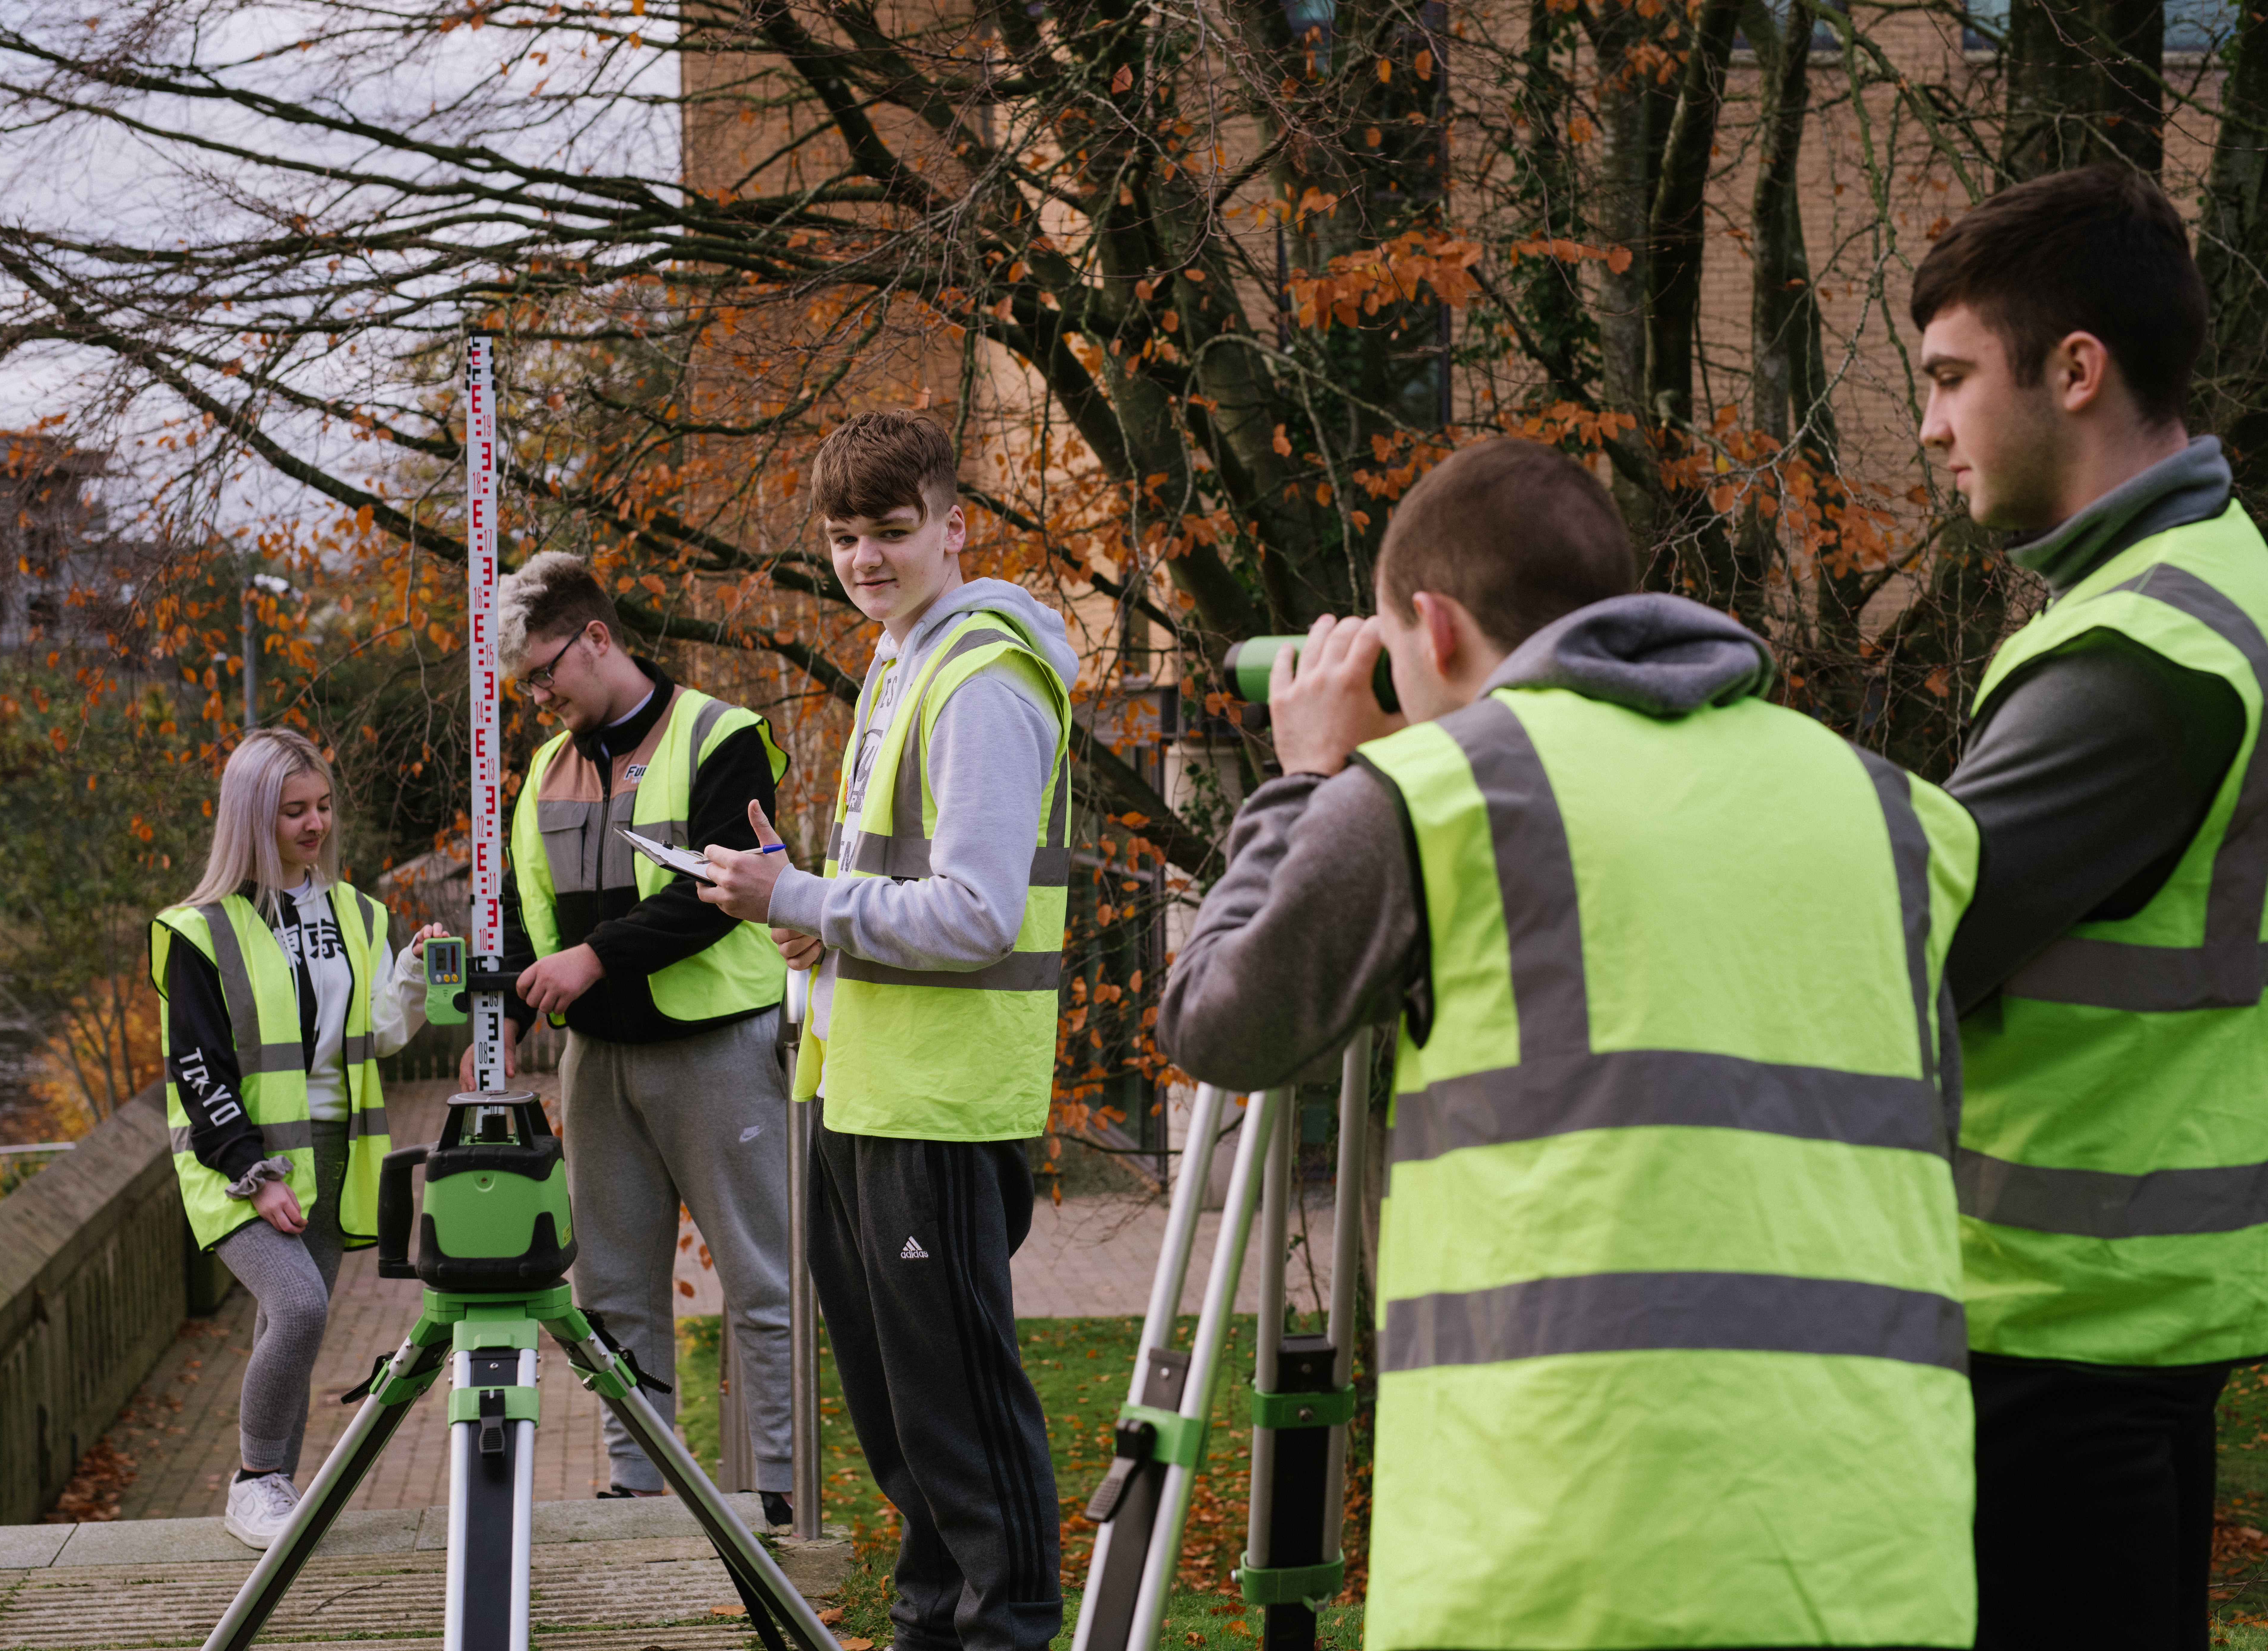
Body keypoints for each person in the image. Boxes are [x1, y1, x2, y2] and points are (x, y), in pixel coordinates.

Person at [1157, 439, 1982, 1650]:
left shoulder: (1439, 793)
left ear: (1431, 630)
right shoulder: (1891, 810)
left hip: (1566, 1546)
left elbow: (1222, 1019)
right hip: (1869, 1547)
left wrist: (1303, 777)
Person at [1914, 165, 2266, 1651]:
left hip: (2058, 1326)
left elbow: (1906, 935)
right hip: (2123, 1312)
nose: (1929, 425)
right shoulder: (2186, 586)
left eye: (1949, 378)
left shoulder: (2144, 652)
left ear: (2076, 370)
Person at [699, 410, 1075, 1651]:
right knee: (906, 1433)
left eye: (892, 531)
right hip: (861, 1090)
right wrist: (809, 925)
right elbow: (902, 893)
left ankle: (1004, 1632)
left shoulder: (980, 679)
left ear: (954, 528)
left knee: (962, 1429)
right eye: (845, 534)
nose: (865, 555)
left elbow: (976, 911)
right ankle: (929, 1630)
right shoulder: (900, 659)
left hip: (941, 1107)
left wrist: (802, 899)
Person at [479, 550, 798, 1524]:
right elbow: (530, 919)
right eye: (525, 684)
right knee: (613, 1291)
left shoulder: (723, 736)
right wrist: (506, 1020)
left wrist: (595, 960)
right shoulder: (541, 771)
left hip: (719, 1050)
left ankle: (783, 1491)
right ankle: (639, 1485)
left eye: (546, 673)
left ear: (598, 638)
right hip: (598, 1062)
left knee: (762, 1280)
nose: (538, 698)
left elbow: (718, 895)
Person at [151, 727, 446, 1548]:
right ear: (253, 817)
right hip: (237, 1157)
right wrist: (253, 1170)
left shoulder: (354, 912)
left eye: (322, 807)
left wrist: (413, 976)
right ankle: (253, 1483)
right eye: (293, 812)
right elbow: (197, 1068)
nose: (315, 825)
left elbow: (378, 1036)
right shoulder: (199, 930)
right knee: (301, 1307)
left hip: (333, 1152)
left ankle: (276, 1488)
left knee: (291, 1325)